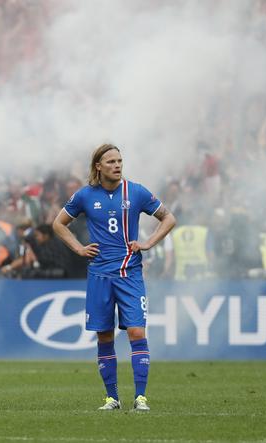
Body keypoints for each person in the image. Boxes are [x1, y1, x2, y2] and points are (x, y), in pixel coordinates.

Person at [53, 143, 176, 412]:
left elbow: (168, 218)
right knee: (104, 336)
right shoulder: (85, 196)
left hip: (129, 273)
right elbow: (58, 223)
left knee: (136, 331)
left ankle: (141, 397)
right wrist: (79, 248)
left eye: (120, 160)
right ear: (98, 166)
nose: (117, 165)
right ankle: (112, 398)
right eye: (111, 162)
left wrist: (149, 242)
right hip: (99, 275)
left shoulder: (137, 191)